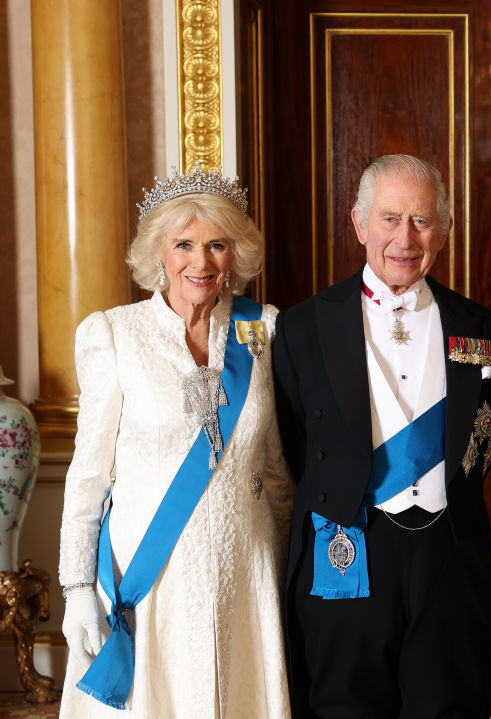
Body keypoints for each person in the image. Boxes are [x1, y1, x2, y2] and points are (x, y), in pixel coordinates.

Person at [274, 154, 491, 718]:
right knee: (344, 705)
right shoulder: (302, 326)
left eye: (422, 221)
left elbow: (485, 442)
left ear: (445, 231)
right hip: (348, 546)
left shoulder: (482, 329)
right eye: (389, 219)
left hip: (447, 554)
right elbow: (292, 444)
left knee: (446, 704)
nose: (405, 238)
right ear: (358, 224)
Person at [58, 164, 293, 717]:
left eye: (217, 245)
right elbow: (88, 476)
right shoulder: (113, 333)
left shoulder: (264, 330)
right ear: (158, 254)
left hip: (246, 569)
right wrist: (75, 590)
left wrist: (285, 569)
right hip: (150, 576)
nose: (201, 261)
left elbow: (277, 465)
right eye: (183, 244)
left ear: (236, 254)